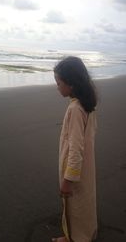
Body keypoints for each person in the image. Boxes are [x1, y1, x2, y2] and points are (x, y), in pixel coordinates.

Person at [53, 56, 97, 242]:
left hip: (75, 168)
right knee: (84, 201)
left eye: (59, 82)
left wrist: (68, 179)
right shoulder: (87, 105)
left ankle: (76, 238)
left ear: (71, 84)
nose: (57, 86)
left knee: (74, 204)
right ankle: (85, 233)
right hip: (86, 165)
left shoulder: (75, 109)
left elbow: (76, 147)